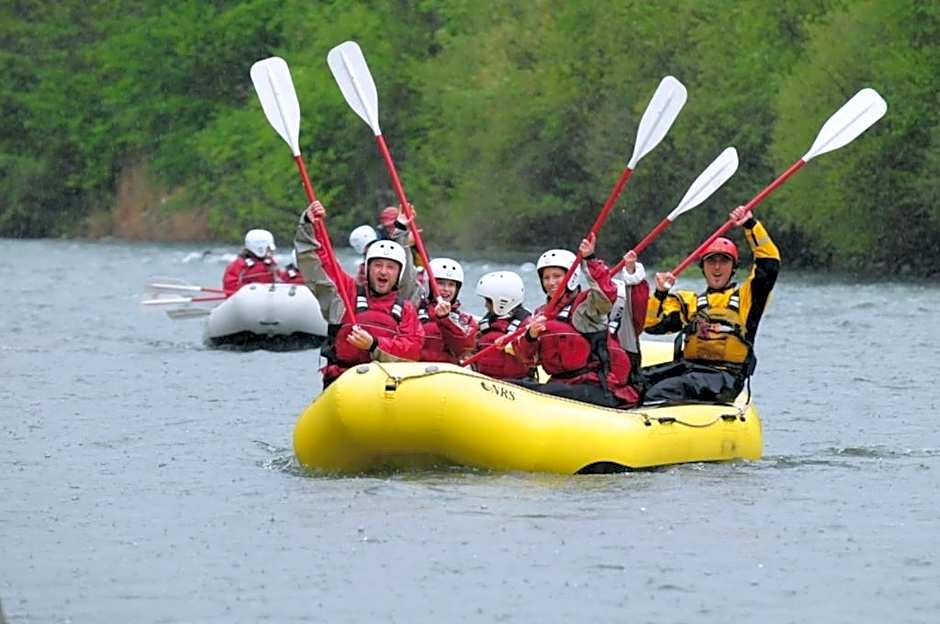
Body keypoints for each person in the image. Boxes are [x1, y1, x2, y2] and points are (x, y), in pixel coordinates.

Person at [643, 205, 780, 403]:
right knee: (637, 381)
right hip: (689, 369)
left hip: (725, 377)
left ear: (733, 268)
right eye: (711, 261)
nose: (717, 267)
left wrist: (750, 225)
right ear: (703, 267)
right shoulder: (689, 303)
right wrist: (660, 294)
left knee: (665, 390)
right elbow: (652, 326)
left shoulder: (748, 298)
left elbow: (769, 264)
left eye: (723, 261)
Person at [294, 201, 424, 388]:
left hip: (387, 385)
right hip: (346, 383)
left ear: (399, 273)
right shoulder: (346, 295)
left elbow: (412, 350)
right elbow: (319, 262)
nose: (384, 272)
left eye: (390, 267)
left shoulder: (406, 309)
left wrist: (373, 344)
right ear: (368, 268)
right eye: (378, 265)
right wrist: (309, 224)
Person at [511, 234, 646, 408]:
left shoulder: (585, 305)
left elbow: (606, 294)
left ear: (571, 277)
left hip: (597, 386)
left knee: (540, 392)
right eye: (546, 277)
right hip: (564, 384)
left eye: (557, 276)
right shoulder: (540, 314)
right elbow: (527, 359)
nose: (551, 282)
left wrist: (590, 259)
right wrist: (530, 336)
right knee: (520, 385)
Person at [472, 271, 535, 380]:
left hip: (516, 384)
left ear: (502, 301)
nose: (485, 305)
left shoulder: (526, 325)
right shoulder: (486, 324)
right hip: (486, 382)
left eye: (489, 301)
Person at [416, 258, 478, 363]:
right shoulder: (413, 311)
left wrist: (445, 320)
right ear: (428, 285)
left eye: (451, 285)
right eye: (440, 283)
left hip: (446, 373)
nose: (446, 289)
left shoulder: (465, 320)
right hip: (414, 369)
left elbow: (464, 348)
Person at [222, 229, 279, 293]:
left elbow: (279, 278)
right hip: (246, 298)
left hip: (267, 296)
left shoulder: (270, 263)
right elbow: (230, 287)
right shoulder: (239, 264)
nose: (271, 252)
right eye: (268, 249)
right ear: (259, 248)